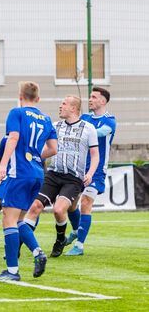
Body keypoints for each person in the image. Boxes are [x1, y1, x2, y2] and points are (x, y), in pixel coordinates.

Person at [0, 81, 57, 282]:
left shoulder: (16, 113)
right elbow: (53, 148)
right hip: (37, 173)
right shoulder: (47, 119)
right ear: (38, 98)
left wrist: (2, 165)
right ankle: (38, 253)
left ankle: (12, 271)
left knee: (8, 219)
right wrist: (35, 157)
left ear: (20, 96)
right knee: (19, 220)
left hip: (19, 172)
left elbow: (13, 138)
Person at [24, 95, 99, 258]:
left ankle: (60, 240)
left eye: (64, 104)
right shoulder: (54, 126)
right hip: (53, 174)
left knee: (58, 210)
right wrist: (32, 159)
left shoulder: (89, 128)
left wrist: (90, 173)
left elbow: (95, 155)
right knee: (35, 207)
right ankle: (17, 244)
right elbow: (45, 149)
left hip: (73, 178)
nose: (60, 106)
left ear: (73, 108)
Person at [65, 87, 116, 256]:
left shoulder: (110, 121)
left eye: (94, 97)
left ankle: (79, 245)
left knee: (86, 202)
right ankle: (75, 230)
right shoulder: (85, 118)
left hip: (97, 171)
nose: (90, 99)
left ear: (103, 101)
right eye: (90, 96)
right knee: (70, 205)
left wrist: (82, 128)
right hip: (78, 168)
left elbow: (99, 133)